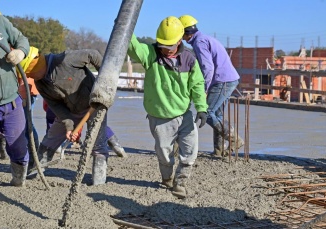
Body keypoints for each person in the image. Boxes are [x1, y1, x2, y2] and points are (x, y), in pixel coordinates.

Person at [127, 16, 208, 199]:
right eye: (162, 44)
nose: (165, 49)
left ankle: (181, 183)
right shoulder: (151, 54)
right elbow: (132, 47)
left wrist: (201, 108)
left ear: (179, 41)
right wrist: (125, 25)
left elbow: (197, 84)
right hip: (160, 117)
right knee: (164, 154)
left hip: (184, 114)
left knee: (190, 150)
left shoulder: (189, 59)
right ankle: (167, 177)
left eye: (169, 46)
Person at [20, 46, 117, 185]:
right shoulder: (40, 83)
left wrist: (106, 79)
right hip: (70, 110)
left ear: (36, 67)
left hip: (94, 104)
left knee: (97, 144)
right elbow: (56, 106)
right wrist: (69, 125)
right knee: (50, 140)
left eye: (29, 73)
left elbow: (93, 53)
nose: (28, 77)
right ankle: (35, 171)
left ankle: (99, 181)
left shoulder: (65, 59)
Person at [179, 15, 244, 158]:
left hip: (222, 81)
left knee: (207, 113)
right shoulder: (204, 38)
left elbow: (207, 68)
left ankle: (235, 140)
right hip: (228, 79)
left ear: (185, 32)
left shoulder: (199, 43)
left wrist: (203, 89)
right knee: (217, 115)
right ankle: (219, 150)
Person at [0, 7, 30, 186]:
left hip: (11, 101)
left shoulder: (0, 22)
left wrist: (20, 52)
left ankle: (18, 180)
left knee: (17, 145)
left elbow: (21, 40)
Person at [17, 51, 40, 157]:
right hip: (24, 91)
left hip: (26, 92)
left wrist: (24, 97)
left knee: (26, 123)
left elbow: (24, 76)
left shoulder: (17, 51)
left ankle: (34, 152)